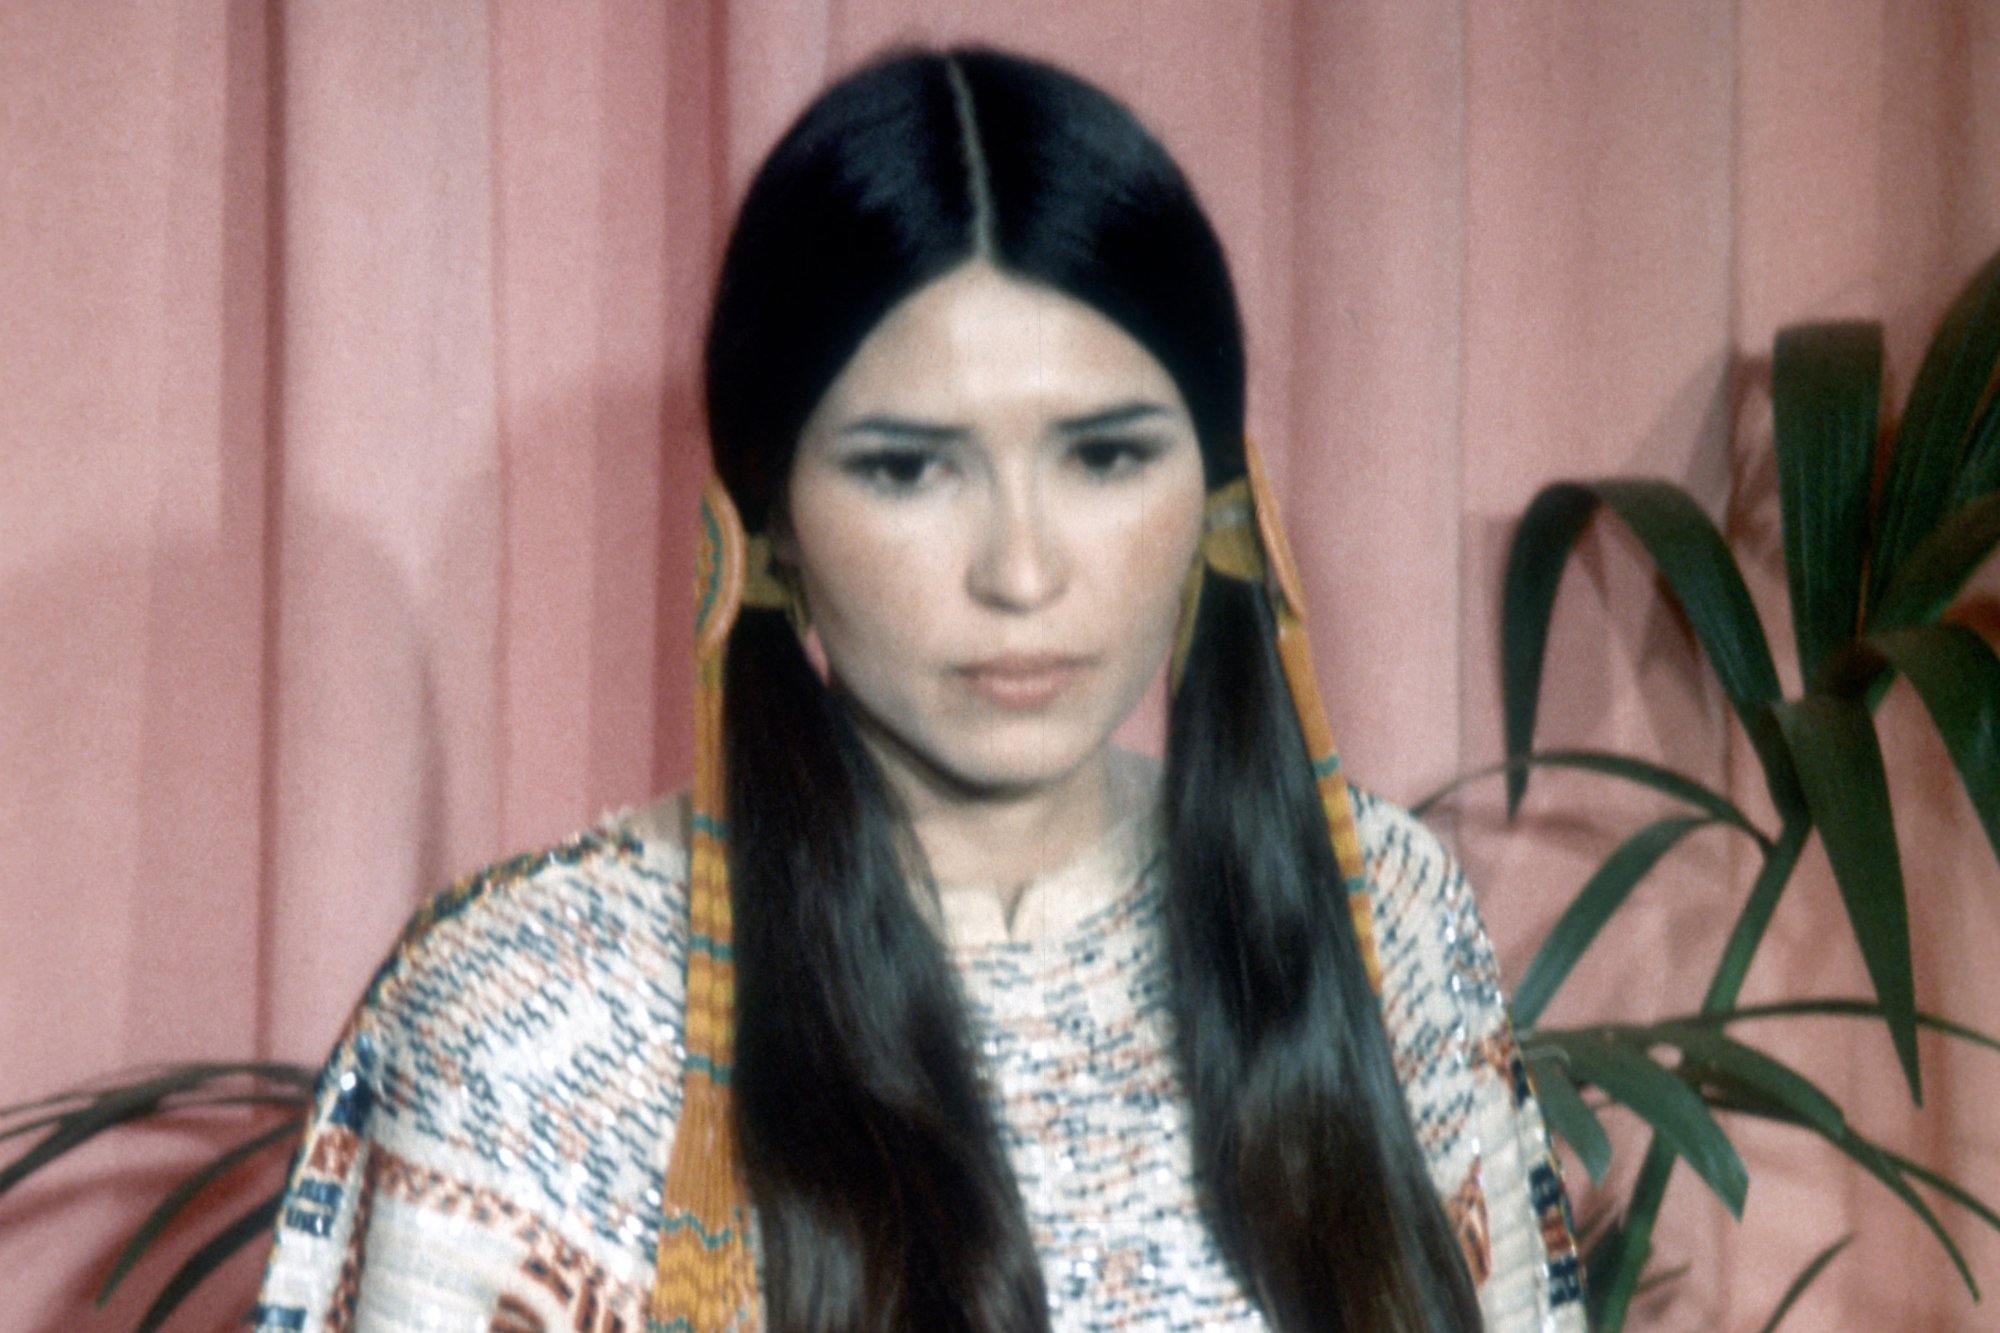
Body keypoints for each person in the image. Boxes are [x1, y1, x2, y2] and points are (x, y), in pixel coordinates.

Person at [253, 46, 1584, 1333]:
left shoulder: (1386, 916)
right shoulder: (531, 1009)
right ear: (766, 516)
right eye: (907, 469)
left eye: (1106, 455)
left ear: (1221, 491)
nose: (1020, 569)